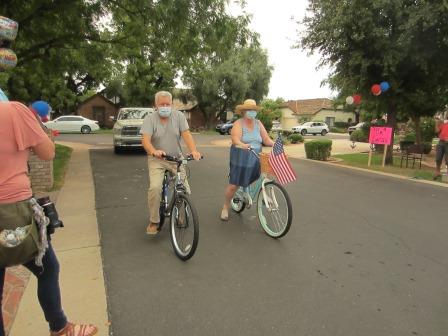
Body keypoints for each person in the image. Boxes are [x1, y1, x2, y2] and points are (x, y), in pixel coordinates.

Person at [0, 97, 98, 336]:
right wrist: (36, 126)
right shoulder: (13, 110)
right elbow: (47, 152)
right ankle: (60, 327)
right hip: (10, 210)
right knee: (47, 267)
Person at [141, 91, 202, 235]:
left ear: (172, 104)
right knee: (155, 188)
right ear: (155, 105)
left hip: (176, 159)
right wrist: (153, 151)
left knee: (184, 188)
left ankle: (178, 214)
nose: (165, 107)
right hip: (157, 159)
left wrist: (194, 150)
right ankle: (154, 220)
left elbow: (186, 135)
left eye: (168, 104)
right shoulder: (150, 119)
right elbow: (145, 140)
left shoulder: (179, 116)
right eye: (162, 104)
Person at [220, 99, 275, 221]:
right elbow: (235, 139)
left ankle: (263, 196)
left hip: (256, 154)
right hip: (241, 154)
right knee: (234, 185)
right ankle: (225, 206)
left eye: (254, 110)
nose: (252, 112)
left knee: (263, 175)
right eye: (249, 110)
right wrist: (243, 145)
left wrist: (274, 144)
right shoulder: (238, 123)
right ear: (243, 111)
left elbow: (266, 139)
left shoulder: (258, 123)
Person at [433, 113, 448, 180]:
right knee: (438, 158)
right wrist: (436, 123)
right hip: (441, 142)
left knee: (447, 159)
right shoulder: (444, 122)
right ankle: (437, 172)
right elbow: (437, 131)